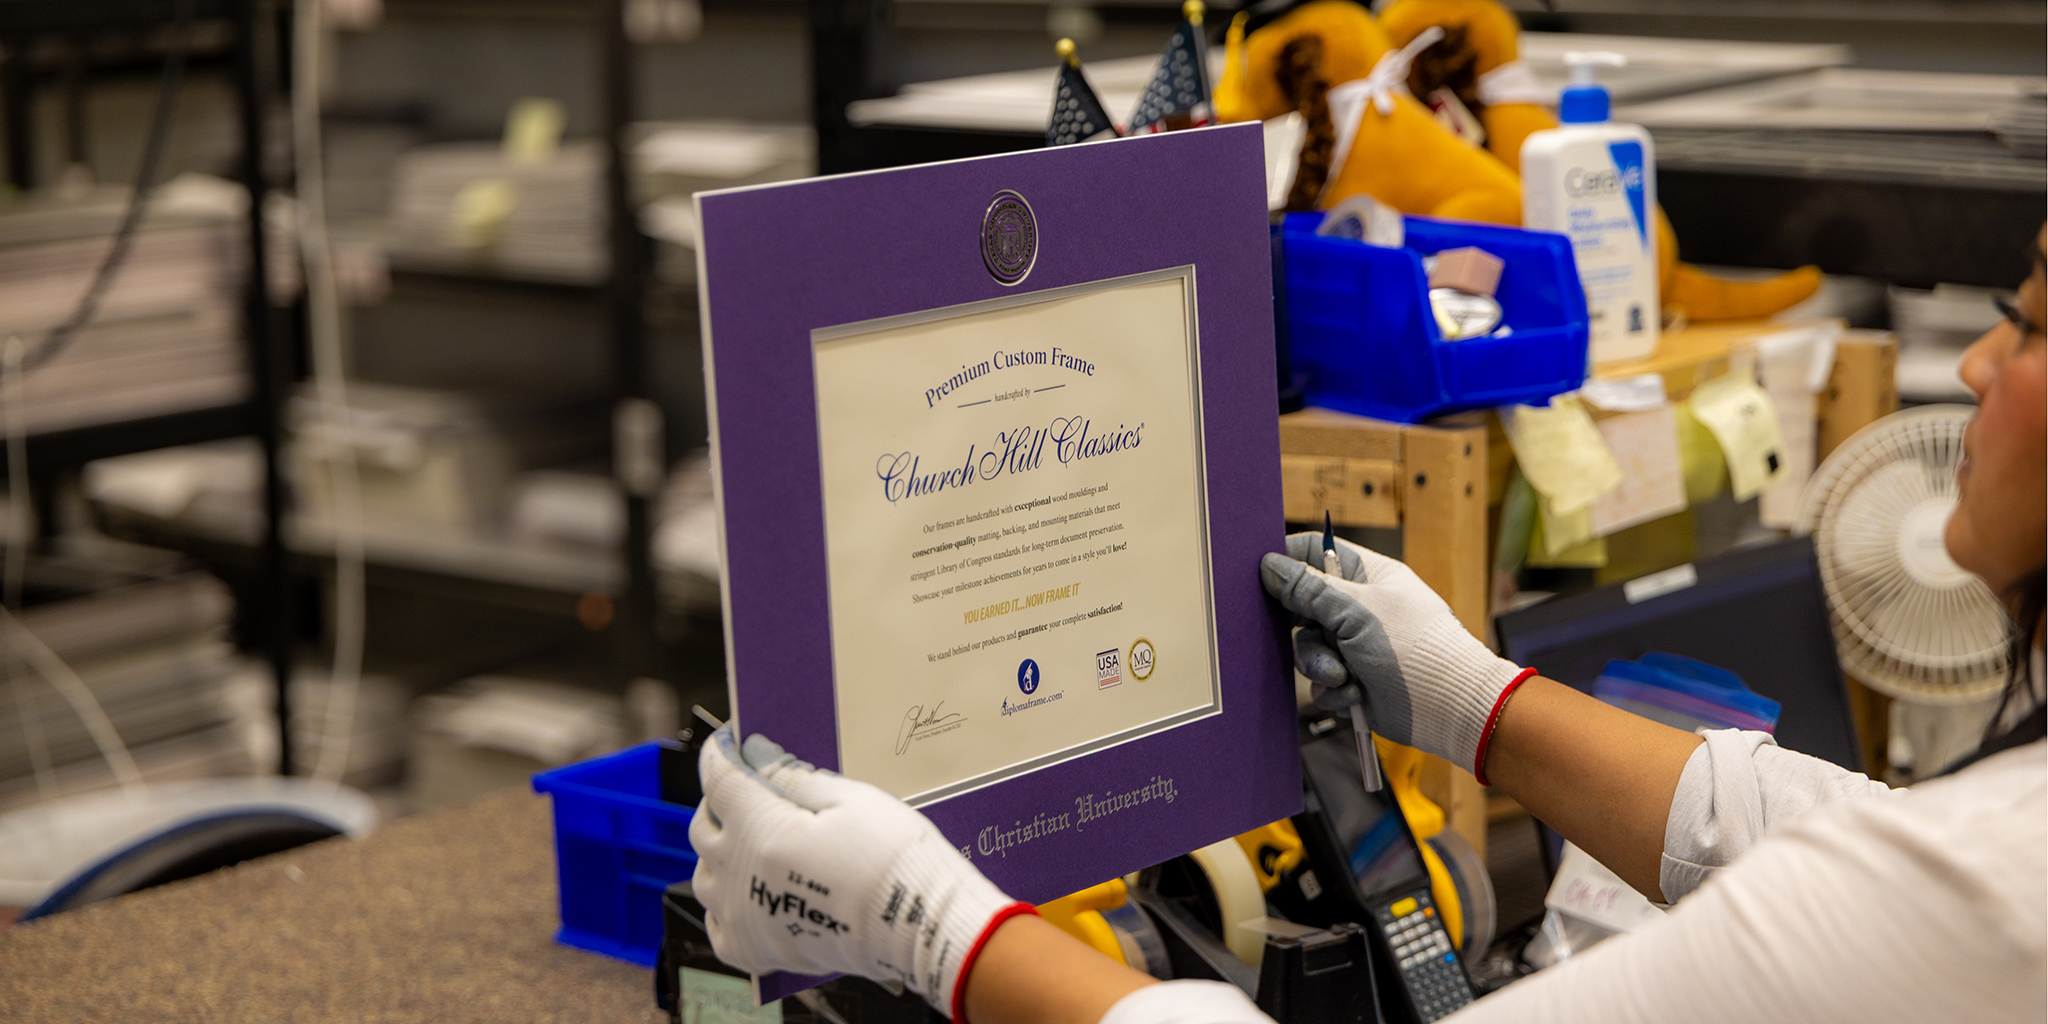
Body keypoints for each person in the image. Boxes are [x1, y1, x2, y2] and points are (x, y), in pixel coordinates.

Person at [688, 229, 2047, 1024]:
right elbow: (1835, 831)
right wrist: (1474, 700)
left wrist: (933, 928)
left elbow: (1882, 887)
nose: (1982, 363)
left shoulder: (1992, 889)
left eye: (2028, 325)